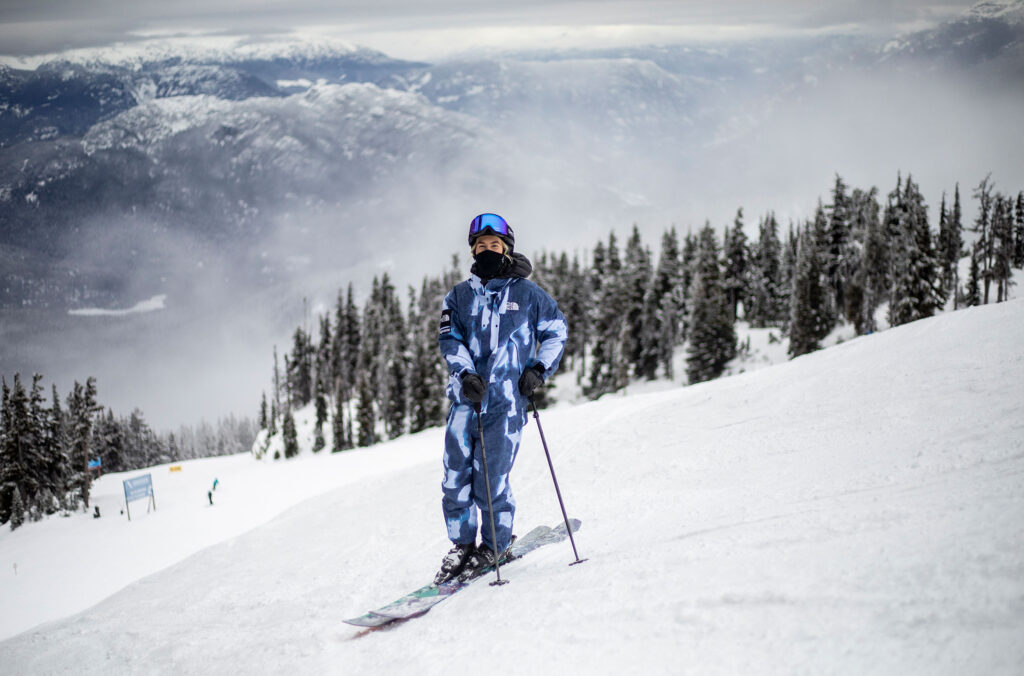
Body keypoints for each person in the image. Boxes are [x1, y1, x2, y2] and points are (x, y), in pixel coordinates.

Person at [434, 212, 568, 584]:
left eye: (495, 245)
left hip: (506, 403)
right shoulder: (458, 296)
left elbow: (557, 331)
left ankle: (496, 544)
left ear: (507, 248)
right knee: (454, 477)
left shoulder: (527, 294)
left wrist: (538, 369)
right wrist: (465, 373)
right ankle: (462, 546)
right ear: (473, 252)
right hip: (465, 401)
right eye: (481, 246)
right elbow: (450, 339)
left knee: (491, 478)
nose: (488, 250)